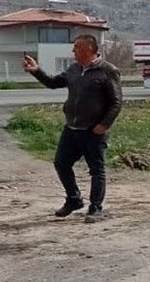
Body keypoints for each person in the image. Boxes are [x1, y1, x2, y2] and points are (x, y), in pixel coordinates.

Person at [23, 34, 123, 223]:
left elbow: (116, 102)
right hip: (72, 128)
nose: (73, 50)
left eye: (76, 47)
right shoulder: (74, 69)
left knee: (96, 169)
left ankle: (95, 207)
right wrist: (36, 70)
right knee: (61, 163)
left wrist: (104, 125)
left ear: (88, 49)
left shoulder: (108, 71)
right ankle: (74, 199)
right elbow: (53, 83)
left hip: (93, 131)